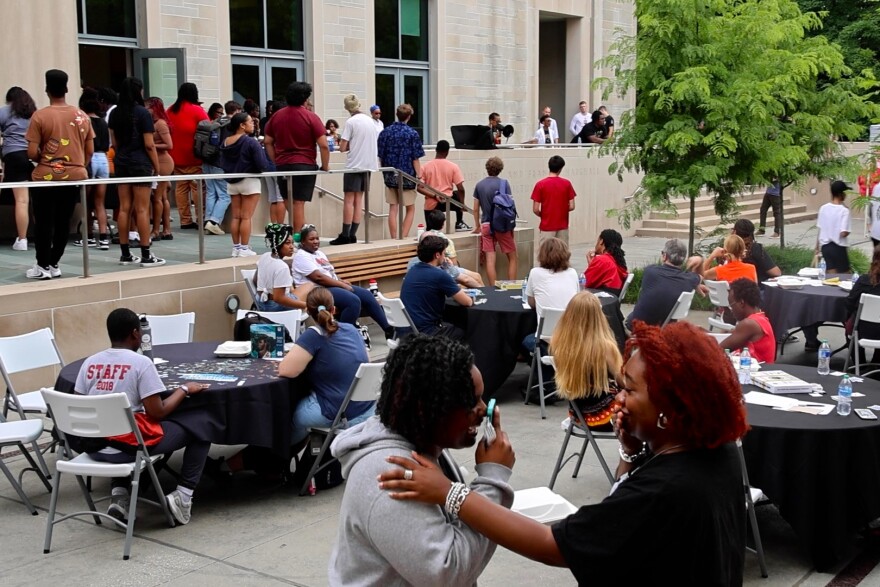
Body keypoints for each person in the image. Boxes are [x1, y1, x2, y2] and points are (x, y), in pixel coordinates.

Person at [378, 321, 748, 586]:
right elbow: (625, 521)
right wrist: (631, 452)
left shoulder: (667, 491)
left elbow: (552, 544)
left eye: (630, 390)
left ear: (670, 409)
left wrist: (451, 492)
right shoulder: (717, 452)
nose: (619, 398)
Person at [329, 334, 514, 586]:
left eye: (482, 397)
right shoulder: (391, 473)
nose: (483, 410)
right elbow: (447, 574)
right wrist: (492, 478)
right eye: (470, 402)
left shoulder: (425, 444)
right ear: (427, 409)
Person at [74, 308, 212, 526]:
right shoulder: (141, 363)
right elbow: (157, 412)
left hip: (93, 446)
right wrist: (184, 389)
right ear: (135, 333)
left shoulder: (90, 362)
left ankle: (120, 495)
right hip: (126, 450)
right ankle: (184, 496)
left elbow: (78, 405)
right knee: (202, 425)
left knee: (120, 425)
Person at [278, 287, 375, 447]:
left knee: (291, 416)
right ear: (334, 309)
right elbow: (366, 361)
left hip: (339, 412)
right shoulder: (351, 329)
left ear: (307, 311)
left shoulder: (313, 335)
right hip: (367, 408)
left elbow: (286, 370)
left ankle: (281, 454)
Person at [25, 69, 95, 280]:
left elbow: (31, 152)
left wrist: (46, 159)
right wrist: (78, 165)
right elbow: (90, 150)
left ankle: (42, 264)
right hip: (74, 175)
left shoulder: (40, 116)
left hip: (45, 176)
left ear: (47, 89)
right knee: (64, 221)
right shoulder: (81, 116)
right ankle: (54, 262)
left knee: (43, 221)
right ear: (66, 88)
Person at [292, 225, 393, 336]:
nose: (316, 241)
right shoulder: (301, 256)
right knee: (353, 301)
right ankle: (342, 336)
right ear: (303, 242)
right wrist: (342, 285)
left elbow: (329, 272)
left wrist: (341, 280)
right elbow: (319, 278)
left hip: (330, 286)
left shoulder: (319, 253)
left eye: (317, 238)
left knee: (366, 295)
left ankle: (389, 331)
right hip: (316, 291)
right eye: (311, 239)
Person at [109, 77, 164, 267]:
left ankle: (125, 253)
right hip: (140, 163)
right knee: (142, 209)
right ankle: (146, 253)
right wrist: (157, 167)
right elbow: (149, 144)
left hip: (122, 162)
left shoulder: (115, 113)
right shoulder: (142, 113)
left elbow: (114, 143)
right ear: (138, 91)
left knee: (124, 208)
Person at [263, 81, 330, 232]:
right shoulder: (311, 117)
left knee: (288, 201)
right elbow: (324, 145)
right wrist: (325, 166)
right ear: (305, 99)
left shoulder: (276, 116)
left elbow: (267, 141)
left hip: (283, 164)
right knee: (298, 203)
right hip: (304, 164)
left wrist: (276, 160)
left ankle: (301, 234)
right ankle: (298, 237)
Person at [552, 292, 624, 430]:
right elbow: (623, 382)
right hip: (605, 416)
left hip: (578, 416)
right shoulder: (605, 347)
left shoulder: (560, 344)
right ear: (599, 316)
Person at [521, 237, 579, 384]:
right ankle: (554, 379)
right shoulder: (572, 273)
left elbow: (531, 302)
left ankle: (547, 381)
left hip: (548, 339)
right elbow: (576, 299)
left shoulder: (535, 273)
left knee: (526, 341)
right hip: (573, 336)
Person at [219, 112, 276, 258]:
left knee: (236, 217)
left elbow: (222, 161)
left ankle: (236, 247)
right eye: (250, 122)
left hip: (232, 181)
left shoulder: (226, 141)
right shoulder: (251, 142)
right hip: (250, 181)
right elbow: (262, 164)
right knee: (246, 217)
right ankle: (244, 248)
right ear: (242, 125)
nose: (253, 124)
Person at [401, 234, 475, 338]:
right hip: (426, 333)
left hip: (405, 331)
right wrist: (448, 268)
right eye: (444, 253)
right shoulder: (439, 275)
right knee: (468, 330)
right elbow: (467, 302)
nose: (445, 257)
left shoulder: (412, 271)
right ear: (437, 255)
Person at [330, 94, 378, 245]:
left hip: (354, 165)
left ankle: (345, 235)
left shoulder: (351, 122)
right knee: (359, 200)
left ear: (346, 108)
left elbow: (342, 147)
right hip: (369, 164)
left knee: (349, 200)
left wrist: (350, 145)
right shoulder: (371, 121)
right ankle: (353, 234)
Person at [626, 238, 701, 329]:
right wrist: (700, 260)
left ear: (665, 256)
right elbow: (701, 276)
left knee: (630, 316)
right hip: (665, 328)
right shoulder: (689, 279)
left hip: (639, 327)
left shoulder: (650, 271)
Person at [377, 103, 424, 239]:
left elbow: (380, 155)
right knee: (410, 208)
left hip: (390, 174)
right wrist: (419, 176)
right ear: (409, 116)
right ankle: (403, 236)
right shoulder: (412, 133)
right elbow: (415, 158)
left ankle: (393, 237)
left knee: (393, 207)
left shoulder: (385, 132)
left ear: (397, 114)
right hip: (407, 175)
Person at [167, 82, 208, 230]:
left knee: (181, 188)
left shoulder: (170, 110)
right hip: (194, 156)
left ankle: (185, 220)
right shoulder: (197, 110)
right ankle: (201, 218)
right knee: (197, 188)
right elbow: (209, 128)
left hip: (175, 156)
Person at [408, 209, 483, 288]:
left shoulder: (423, 236)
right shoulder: (446, 241)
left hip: (430, 268)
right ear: (443, 224)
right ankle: (487, 294)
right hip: (443, 269)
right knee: (476, 277)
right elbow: (454, 266)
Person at [472, 156, 517, 286]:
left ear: (487, 168)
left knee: (490, 260)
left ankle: (493, 289)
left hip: (486, 225)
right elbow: (510, 206)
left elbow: (475, 209)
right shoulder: (504, 184)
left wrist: (477, 225)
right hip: (502, 226)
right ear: (500, 169)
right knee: (513, 258)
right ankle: (512, 286)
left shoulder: (479, 185)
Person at [1, 86, 36, 252]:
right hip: (32, 156)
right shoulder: (33, 113)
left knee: (21, 200)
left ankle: (22, 239)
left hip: (13, 155)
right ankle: (41, 235)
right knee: (37, 200)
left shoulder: (4, 111)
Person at [75, 89, 110, 249]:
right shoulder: (103, 122)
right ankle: (103, 237)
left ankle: (88, 236)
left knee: (86, 202)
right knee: (99, 202)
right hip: (103, 158)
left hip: (88, 158)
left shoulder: (83, 121)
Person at [254, 223, 313, 311]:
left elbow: (255, 280)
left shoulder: (264, 256)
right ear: (278, 244)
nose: (292, 247)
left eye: (292, 243)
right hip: (275, 307)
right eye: (287, 243)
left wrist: (266, 294)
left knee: (293, 288)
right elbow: (279, 299)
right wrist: (307, 305)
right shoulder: (282, 267)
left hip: (260, 302)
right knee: (310, 285)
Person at [720, 278, 776, 363]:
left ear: (741, 303)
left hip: (754, 370)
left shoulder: (749, 324)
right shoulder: (760, 318)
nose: (731, 310)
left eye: (731, 306)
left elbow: (718, 349)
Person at [418, 139, 468, 229]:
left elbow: (419, 188)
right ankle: (459, 222)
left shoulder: (425, 167)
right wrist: (462, 205)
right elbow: (461, 189)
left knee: (430, 230)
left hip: (431, 204)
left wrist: (434, 196)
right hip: (447, 201)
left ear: (436, 150)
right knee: (457, 194)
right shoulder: (453, 166)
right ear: (447, 152)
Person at [145, 96, 174, 241]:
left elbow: (169, 145)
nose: (146, 110)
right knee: (162, 197)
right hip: (159, 161)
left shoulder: (160, 123)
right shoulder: (155, 123)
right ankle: (166, 229)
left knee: (157, 197)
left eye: (148, 107)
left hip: (163, 162)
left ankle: (156, 230)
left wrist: (150, 145)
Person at [845, 244, 880, 365]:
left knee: (850, 324)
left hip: (862, 330)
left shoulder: (864, 280)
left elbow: (849, 303)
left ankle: (859, 364)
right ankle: (876, 363)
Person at [531, 155, 576, 245]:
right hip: (562, 225)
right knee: (562, 252)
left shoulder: (540, 184)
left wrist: (544, 215)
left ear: (549, 166)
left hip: (546, 226)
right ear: (561, 168)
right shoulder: (567, 184)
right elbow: (572, 206)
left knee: (545, 252)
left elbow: (535, 209)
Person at [816, 179, 852, 273]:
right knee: (845, 277)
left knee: (832, 277)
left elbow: (820, 229)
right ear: (841, 194)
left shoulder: (823, 208)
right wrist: (848, 231)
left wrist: (816, 247)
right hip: (838, 248)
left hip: (825, 247)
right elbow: (843, 233)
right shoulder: (844, 211)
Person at [733, 219, 781, 284]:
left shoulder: (728, 249)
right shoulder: (756, 248)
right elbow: (776, 272)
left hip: (733, 287)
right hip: (756, 287)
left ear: (735, 232)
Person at [584, 229, 628, 294]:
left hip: (601, 298)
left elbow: (584, 283)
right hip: (611, 297)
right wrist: (592, 264)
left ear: (601, 241)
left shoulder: (603, 260)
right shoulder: (617, 261)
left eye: (597, 240)